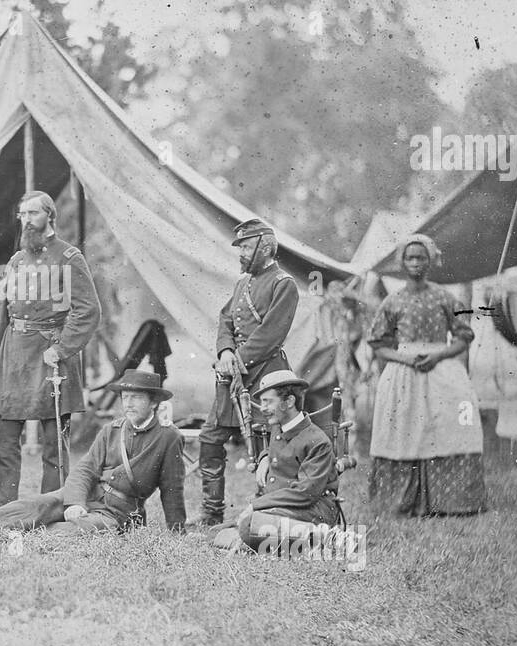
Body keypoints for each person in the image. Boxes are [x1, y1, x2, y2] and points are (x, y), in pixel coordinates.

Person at [0, 370, 185, 535]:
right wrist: (74, 502)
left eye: (136, 398)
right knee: (35, 505)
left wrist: (177, 531)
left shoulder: (168, 437)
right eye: (125, 398)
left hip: (117, 513)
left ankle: (21, 538)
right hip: (88, 495)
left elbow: (172, 488)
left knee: (73, 531)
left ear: (153, 402)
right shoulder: (112, 429)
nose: (128, 404)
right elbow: (85, 469)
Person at [0, 191, 101, 507]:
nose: (27, 220)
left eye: (33, 213)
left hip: (51, 357)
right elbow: (2, 316)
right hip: (14, 357)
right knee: (5, 438)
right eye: (22, 215)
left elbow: (88, 309)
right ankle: (4, 509)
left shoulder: (69, 258)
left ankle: (49, 509)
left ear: (50, 216)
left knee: (54, 445)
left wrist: (62, 349)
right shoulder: (16, 261)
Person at [366, 235, 487, 516]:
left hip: (441, 371)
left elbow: (463, 336)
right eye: (410, 258)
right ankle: (402, 501)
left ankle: (453, 502)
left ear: (430, 261)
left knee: (450, 428)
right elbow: (378, 344)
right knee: (403, 430)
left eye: (421, 258)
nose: (416, 263)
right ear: (402, 263)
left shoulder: (444, 297)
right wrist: (405, 358)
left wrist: (438, 355)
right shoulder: (393, 301)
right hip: (403, 372)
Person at [197, 216, 299, 527]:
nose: (240, 253)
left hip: (266, 377)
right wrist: (225, 351)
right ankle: (212, 515)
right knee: (210, 439)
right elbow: (225, 319)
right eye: (239, 247)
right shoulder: (242, 283)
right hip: (234, 377)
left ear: (265, 248)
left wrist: (237, 357)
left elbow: (271, 334)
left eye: (245, 246)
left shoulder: (285, 285)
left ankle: (266, 513)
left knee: (268, 447)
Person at [207, 369, 343, 555]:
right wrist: (264, 457)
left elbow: (305, 493)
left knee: (247, 526)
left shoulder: (318, 441)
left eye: (267, 402)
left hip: (313, 510)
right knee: (215, 533)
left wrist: (257, 505)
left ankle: (326, 539)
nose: (262, 408)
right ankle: (270, 540)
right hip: (285, 509)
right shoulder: (279, 427)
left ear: (289, 401)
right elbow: (284, 449)